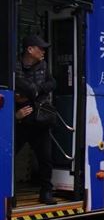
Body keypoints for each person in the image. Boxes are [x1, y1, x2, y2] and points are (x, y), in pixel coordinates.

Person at [15, 34, 57, 205]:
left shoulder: (43, 65)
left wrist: (34, 92)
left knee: (45, 158)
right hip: (20, 120)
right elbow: (18, 85)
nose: (43, 52)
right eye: (40, 48)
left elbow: (52, 83)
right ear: (29, 49)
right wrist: (35, 92)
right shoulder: (14, 64)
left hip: (40, 120)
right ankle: (10, 194)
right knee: (9, 156)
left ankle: (46, 192)